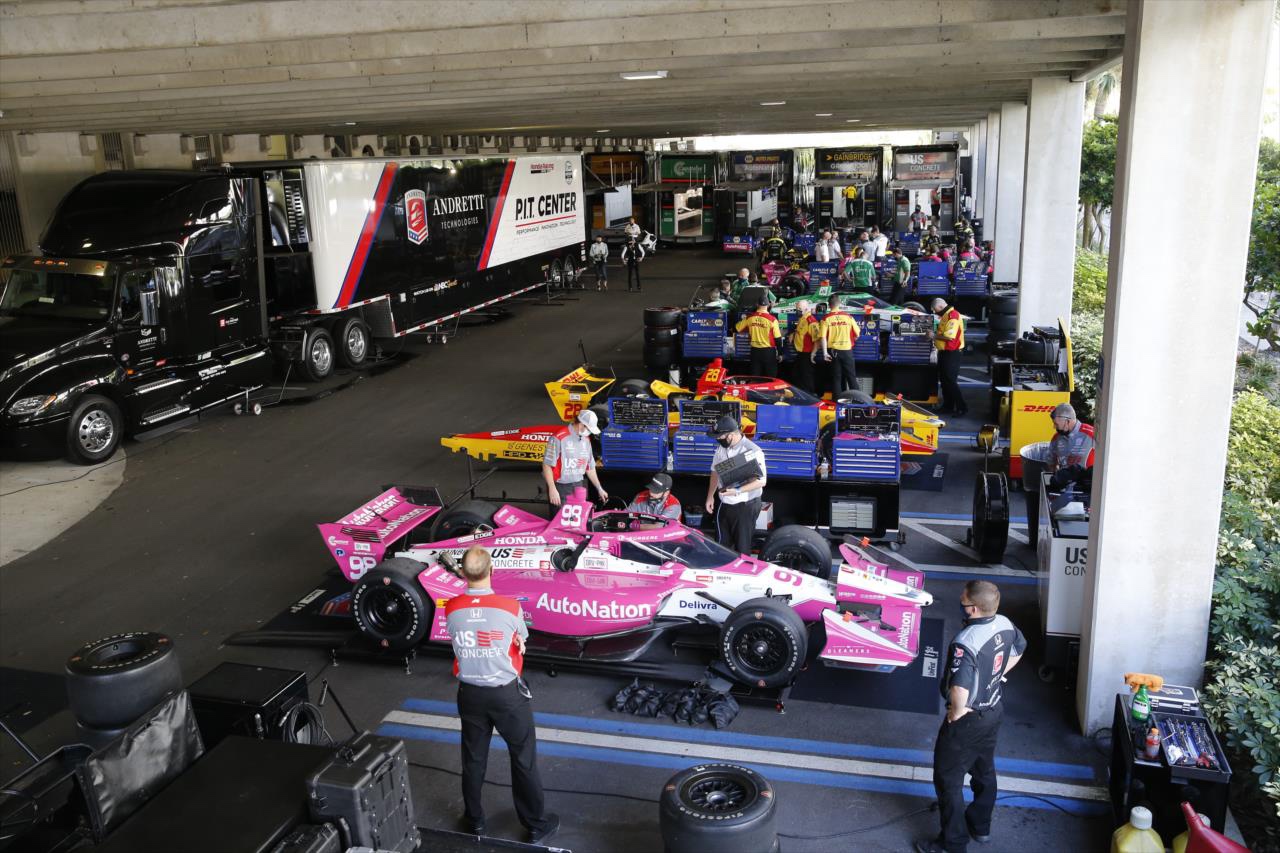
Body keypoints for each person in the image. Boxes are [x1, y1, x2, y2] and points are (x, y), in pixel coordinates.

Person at [447, 546, 559, 845]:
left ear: (463, 573)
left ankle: (474, 821)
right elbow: (520, 637)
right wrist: (517, 642)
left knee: (473, 759)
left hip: (470, 695)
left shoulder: (451, 607)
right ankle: (535, 825)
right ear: (492, 571)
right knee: (523, 758)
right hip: (506, 696)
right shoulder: (510, 607)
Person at [915, 581, 1025, 853]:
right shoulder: (1005, 623)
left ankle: (952, 844)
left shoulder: (965, 643)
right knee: (983, 769)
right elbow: (1020, 648)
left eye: (963, 601)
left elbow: (959, 688)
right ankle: (980, 826)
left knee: (948, 780)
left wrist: (956, 713)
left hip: (967, 721)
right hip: (993, 712)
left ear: (973, 609)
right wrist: (995, 677)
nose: (961, 604)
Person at [704, 415, 767, 555]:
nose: (718, 440)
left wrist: (737, 490)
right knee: (721, 546)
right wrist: (710, 496)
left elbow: (761, 481)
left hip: (745, 506)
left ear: (731, 435)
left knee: (742, 548)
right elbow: (715, 471)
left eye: (720, 437)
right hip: (724, 502)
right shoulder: (722, 448)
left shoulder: (753, 451)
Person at [542, 410, 608, 507]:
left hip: (578, 486)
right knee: (560, 516)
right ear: (581, 425)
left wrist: (599, 488)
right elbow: (546, 465)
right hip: (560, 487)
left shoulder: (586, 440)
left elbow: (590, 468)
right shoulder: (559, 438)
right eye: (589, 429)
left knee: (578, 516)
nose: (590, 433)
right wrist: (552, 489)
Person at [930, 298, 966, 416]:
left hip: (952, 353)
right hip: (944, 352)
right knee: (944, 381)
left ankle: (962, 408)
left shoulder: (952, 316)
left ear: (940, 307)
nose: (935, 312)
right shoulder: (946, 315)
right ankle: (948, 406)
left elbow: (949, 337)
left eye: (935, 310)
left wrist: (933, 336)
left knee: (950, 381)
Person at [817, 294, 859, 393]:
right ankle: (858, 400)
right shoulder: (848, 317)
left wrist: (825, 353)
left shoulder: (826, 318)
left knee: (836, 378)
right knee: (851, 377)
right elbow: (857, 334)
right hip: (847, 351)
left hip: (833, 352)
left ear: (829, 305)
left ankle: (836, 400)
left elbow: (823, 337)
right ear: (839, 303)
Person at [736, 302, 781, 378]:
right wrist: (780, 353)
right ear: (768, 305)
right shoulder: (772, 319)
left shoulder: (749, 317)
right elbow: (778, 338)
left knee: (755, 378)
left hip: (755, 352)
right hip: (768, 353)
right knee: (771, 378)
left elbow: (737, 328)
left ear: (757, 305)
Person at [1047, 403, 1095, 473]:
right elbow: (1051, 462)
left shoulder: (1091, 434)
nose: (1054, 427)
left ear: (1067, 421)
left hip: (1087, 478)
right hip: (1064, 478)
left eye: (1056, 424)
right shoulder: (1056, 438)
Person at [790, 299, 820, 393]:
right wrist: (793, 335)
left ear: (806, 309)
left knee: (807, 378)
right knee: (796, 376)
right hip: (800, 353)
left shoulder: (811, 321)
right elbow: (801, 332)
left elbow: (817, 340)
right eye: (796, 308)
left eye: (799, 309)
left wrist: (813, 354)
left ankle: (810, 396)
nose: (797, 311)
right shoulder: (802, 318)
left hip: (807, 354)